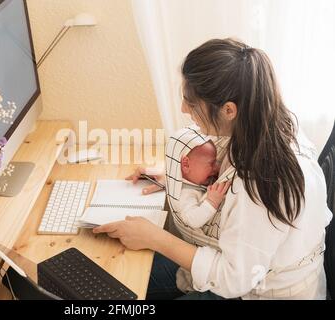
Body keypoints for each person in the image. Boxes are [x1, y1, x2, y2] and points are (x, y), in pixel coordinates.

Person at [93, 38, 332, 300]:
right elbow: (227, 179)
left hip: (254, 289)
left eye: (191, 104)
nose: (184, 109)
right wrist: (175, 177)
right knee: (110, 275)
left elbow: (233, 279)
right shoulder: (266, 126)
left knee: (116, 284)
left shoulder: (265, 182)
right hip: (243, 266)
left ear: (229, 110)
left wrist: (154, 238)